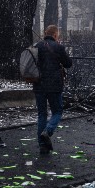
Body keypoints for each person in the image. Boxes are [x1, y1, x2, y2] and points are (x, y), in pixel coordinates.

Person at [33, 24, 73, 155]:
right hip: (54, 85)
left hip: (39, 84)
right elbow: (68, 64)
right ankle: (48, 131)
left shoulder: (37, 46)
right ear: (55, 35)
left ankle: (42, 145)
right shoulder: (58, 47)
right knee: (57, 111)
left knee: (42, 114)